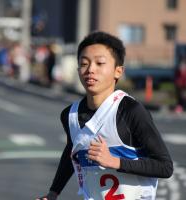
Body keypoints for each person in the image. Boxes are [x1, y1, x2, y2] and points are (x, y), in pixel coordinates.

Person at [36, 31, 173, 200]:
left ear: (118, 71)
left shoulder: (131, 111)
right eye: (84, 63)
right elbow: (72, 150)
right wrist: (53, 192)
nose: (90, 70)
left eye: (100, 63)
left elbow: (165, 166)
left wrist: (115, 162)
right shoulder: (69, 115)